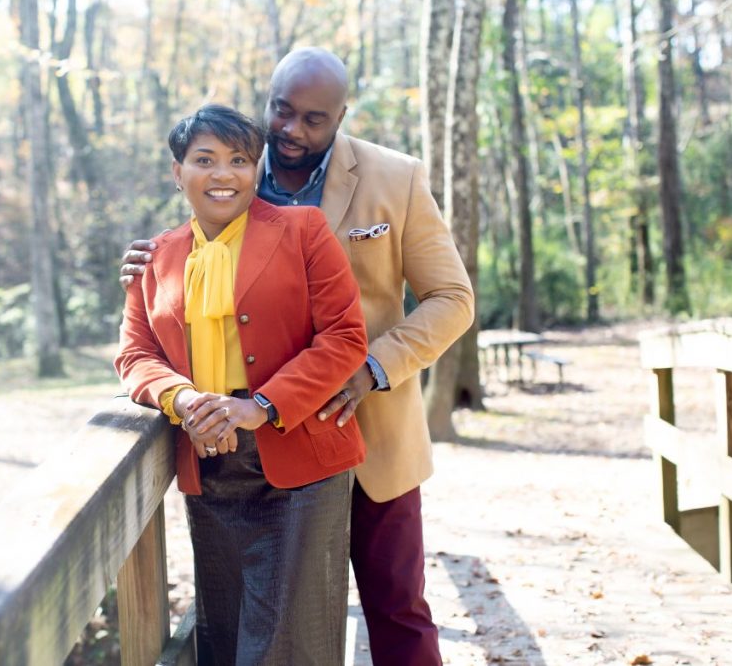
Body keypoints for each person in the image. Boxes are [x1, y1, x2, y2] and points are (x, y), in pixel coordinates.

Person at [121, 49, 475, 666]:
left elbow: (452, 298)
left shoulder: (396, 179)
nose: (292, 130)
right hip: (249, 444)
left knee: (396, 606)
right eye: (281, 111)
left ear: (341, 115)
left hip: (371, 423)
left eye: (314, 119)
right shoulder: (233, 169)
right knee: (270, 618)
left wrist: (373, 369)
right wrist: (144, 273)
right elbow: (181, 302)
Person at [114, 104, 369, 665]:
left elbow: (345, 337)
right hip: (209, 464)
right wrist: (183, 400)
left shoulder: (303, 230)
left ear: (256, 170)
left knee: (287, 643)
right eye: (204, 160)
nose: (223, 174)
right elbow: (135, 354)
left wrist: (260, 406)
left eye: (239, 160)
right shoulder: (155, 258)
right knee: (225, 637)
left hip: (298, 463)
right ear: (177, 171)